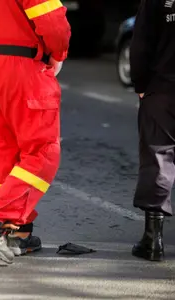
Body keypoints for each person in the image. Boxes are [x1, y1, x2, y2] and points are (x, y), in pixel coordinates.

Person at [0, 0, 71, 264]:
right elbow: (53, 23)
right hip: (22, 66)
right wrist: (58, 54)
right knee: (44, 152)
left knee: (5, 156)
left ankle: (13, 232)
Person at [130, 0, 175, 262]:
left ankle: (153, 240)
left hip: (163, 88)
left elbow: (141, 42)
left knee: (157, 156)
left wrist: (141, 83)